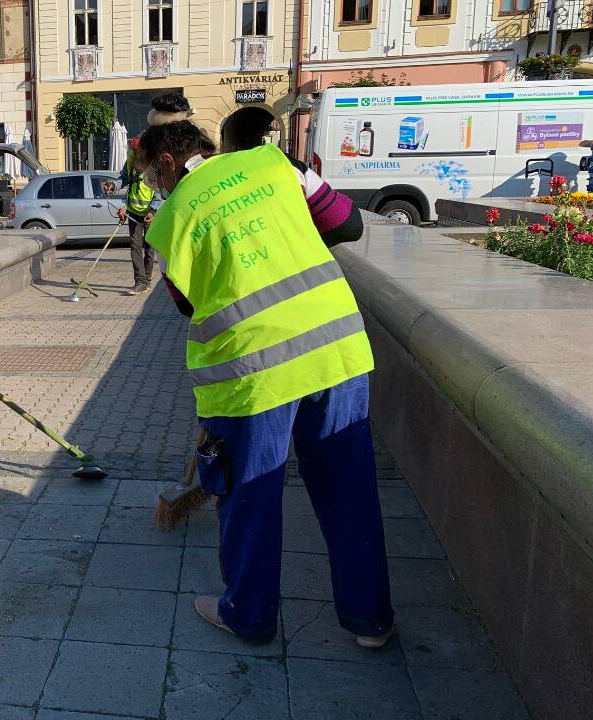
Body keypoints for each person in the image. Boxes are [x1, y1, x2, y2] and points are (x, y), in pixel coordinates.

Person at [138, 120, 395, 648]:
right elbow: (348, 225)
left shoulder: (169, 221)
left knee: (251, 493)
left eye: (153, 176)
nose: (158, 188)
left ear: (165, 164)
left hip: (250, 373)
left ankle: (250, 615)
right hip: (335, 348)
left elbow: (186, 303)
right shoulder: (277, 164)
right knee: (348, 490)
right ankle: (369, 621)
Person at [117, 137, 156, 295]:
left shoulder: (152, 167)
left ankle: (146, 279)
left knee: (150, 248)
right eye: (132, 151)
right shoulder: (130, 164)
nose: (135, 154)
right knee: (135, 246)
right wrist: (113, 185)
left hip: (150, 214)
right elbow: (123, 180)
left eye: (137, 151)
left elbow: (160, 191)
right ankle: (140, 281)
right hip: (133, 212)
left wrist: (153, 210)